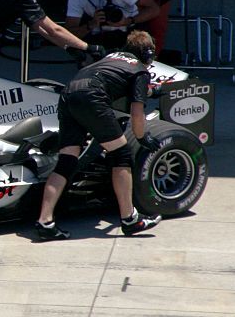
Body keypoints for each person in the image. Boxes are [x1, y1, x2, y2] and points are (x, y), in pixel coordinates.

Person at [35, 30, 163, 241]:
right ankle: (130, 219)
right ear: (148, 55)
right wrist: (141, 137)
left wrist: (147, 90)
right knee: (121, 154)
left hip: (69, 93)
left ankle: (44, 222)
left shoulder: (110, 58)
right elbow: (136, 113)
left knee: (67, 160)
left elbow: (114, 80)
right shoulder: (140, 71)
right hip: (92, 96)